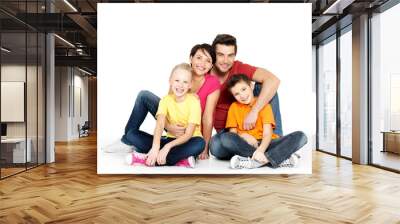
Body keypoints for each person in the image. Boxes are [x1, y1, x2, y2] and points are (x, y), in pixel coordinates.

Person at [104, 44, 220, 161]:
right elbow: (169, 104)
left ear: (211, 65)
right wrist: (169, 127)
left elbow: (207, 118)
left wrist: (205, 148)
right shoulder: (181, 72)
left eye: (208, 61)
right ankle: (127, 141)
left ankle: (152, 152)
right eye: (199, 58)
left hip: (190, 131)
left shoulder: (212, 82)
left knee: (197, 144)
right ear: (191, 58)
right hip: (172, 124)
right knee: (143, 96)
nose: (202, 63)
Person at [209, 34, 283, 159]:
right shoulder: (204, 74)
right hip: (229, 132)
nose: (225, 61)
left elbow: (273, 80)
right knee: (215, 147)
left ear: (235, 56)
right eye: (220, 55)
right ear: (213, 55)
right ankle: (268, 153)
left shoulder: (239, 68)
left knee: (266, 87)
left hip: (257, 125)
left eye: (230, 55)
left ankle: (273, 139)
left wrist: (255, 111)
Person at [125, 63, 205, 168]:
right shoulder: (165, 100)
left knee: (200, 144)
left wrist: (167, 147)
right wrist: (155, 147)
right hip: (169, 139)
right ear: (170, 81)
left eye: (185, 82)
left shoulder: (194, 102)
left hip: (188, 141)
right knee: (131, 134)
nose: (180, 85)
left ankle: (145, 159)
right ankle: (180, 160)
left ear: (190, 85)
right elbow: (160, 124)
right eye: (177, 80)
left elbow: (188, 134)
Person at [221, 74, 307, 169]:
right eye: (236, 94)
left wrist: (261, 150)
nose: (242, 95)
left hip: (268, 143)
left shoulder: (264, 105)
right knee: (226, 138)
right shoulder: (234, 107)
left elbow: (267, 134)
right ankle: (278, 158)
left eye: (244, 89)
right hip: (247, 145)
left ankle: (257, 162)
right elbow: (232, 134)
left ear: (251, 86)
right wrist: (244, 136)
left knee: (301, 136)